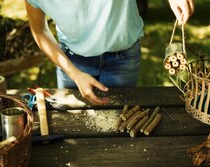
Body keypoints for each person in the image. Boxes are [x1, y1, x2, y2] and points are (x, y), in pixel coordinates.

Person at [24, 0, 194, 105]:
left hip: (123, 59)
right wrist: (75, 74)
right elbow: (39, 32)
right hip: (71, 62)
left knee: (120, 120)